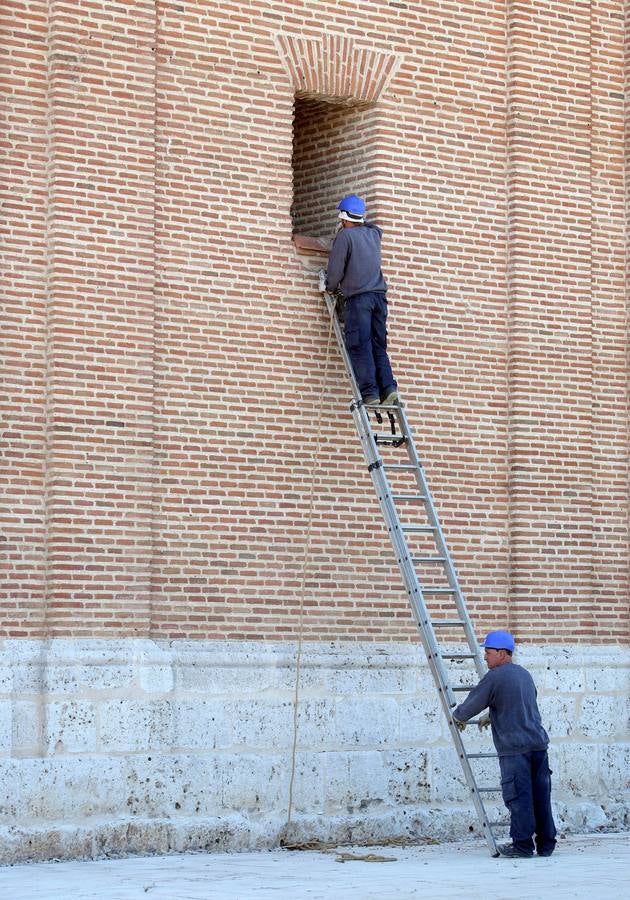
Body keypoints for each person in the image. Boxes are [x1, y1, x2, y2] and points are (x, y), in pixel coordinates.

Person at [451, 630, 557, 859]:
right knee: (541, 797)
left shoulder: (495, 677)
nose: (485, 657)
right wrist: (493, 714)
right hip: (539, 745)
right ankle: (546, 845)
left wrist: (458, 716)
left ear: (501, 653)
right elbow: (521, 703)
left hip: (515, 748)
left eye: (488, 652)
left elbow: (470, 706)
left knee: (519, 797)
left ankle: (522, 846)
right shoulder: (524, 674)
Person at [325, 194, 398, 407]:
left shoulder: (345, 237)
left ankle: (370, 393)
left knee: (360, 344)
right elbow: (373, 227)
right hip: (379, 299)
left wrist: (329, 286)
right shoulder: (374, 234)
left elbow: (336, 271)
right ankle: (389, 388)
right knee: (378, 345)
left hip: (359, 301)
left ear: (344, 218)